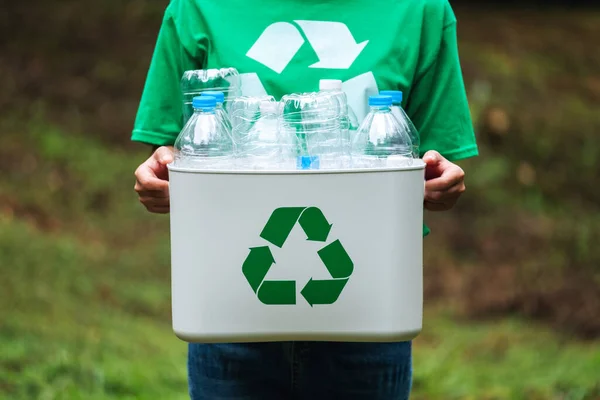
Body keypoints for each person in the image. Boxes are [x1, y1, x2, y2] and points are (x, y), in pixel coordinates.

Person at [132, 0, 478, 398]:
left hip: (369, 309)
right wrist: (162, 171)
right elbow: (179, 146)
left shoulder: (420, 10)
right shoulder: (197, 7)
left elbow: (426, 154)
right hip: (227, 308)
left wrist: (441, 181)